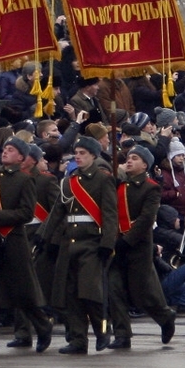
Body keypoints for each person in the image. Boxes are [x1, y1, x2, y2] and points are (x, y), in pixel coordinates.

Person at [43, 138, 118, 354]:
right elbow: (58, 212)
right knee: (71, 294)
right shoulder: (68, 182)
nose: (77, 156)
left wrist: (107, 243)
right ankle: (78, 339)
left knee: (90, 292)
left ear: (94, 156)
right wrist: (43, 236)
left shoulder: (103, 180)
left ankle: (102, 330)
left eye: (83, 152)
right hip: (69, 242)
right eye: (76, 152)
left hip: (92, 243)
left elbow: (110, 215)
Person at [106, 144, 177, 348]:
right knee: (114, 289)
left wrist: (127, 241)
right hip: (116, 245)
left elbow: (146, 218)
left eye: (135, 158)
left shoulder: (151, 187)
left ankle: (165, 317)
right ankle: (122, 334)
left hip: (137, 246)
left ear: (145, 165)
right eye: (128, 158)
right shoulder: (118, 184)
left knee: (142, 292)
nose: (129, 161)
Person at [0, 137, 54, 352]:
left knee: (23, 289)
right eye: (4, 149)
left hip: (16, 238)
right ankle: (17, 333)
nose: (5, 152)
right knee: (0, 289)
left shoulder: (25, 180)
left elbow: (26, 213)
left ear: (21, 157)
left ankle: (42, 326)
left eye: (11, 150)